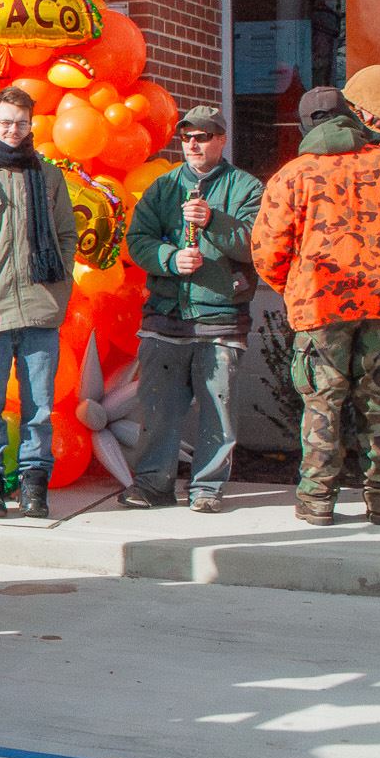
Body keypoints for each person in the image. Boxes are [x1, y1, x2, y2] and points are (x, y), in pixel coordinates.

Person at [121, 105, 263, 513]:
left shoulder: (246, 187)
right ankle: (153, 484)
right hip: (166, 315)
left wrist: (213, 220)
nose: (193, 145)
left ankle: (207, 488)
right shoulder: (163, 187)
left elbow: (257, 245)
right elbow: (138, 239)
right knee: (158, 409)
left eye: (203, 137)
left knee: (218, 411)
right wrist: (169, 259)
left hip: (221, 316)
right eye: (187, 138)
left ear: (221, 139)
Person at [251, 87, 380, 526]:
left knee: (322, 405)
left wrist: (294, 288)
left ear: (306, 124)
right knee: (379, 404)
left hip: (319, 305)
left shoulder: (294, 175)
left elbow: (268, 250)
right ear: (350, 117)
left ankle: (317, 500)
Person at [0, 87, 77, 520]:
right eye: (5, 122)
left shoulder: (47, 175)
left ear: (31, 125)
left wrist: (58, 287)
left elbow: (66, 235)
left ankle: (33, 485)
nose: (13, 130)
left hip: (40, 308)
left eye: (21, 123)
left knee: (39, 409)